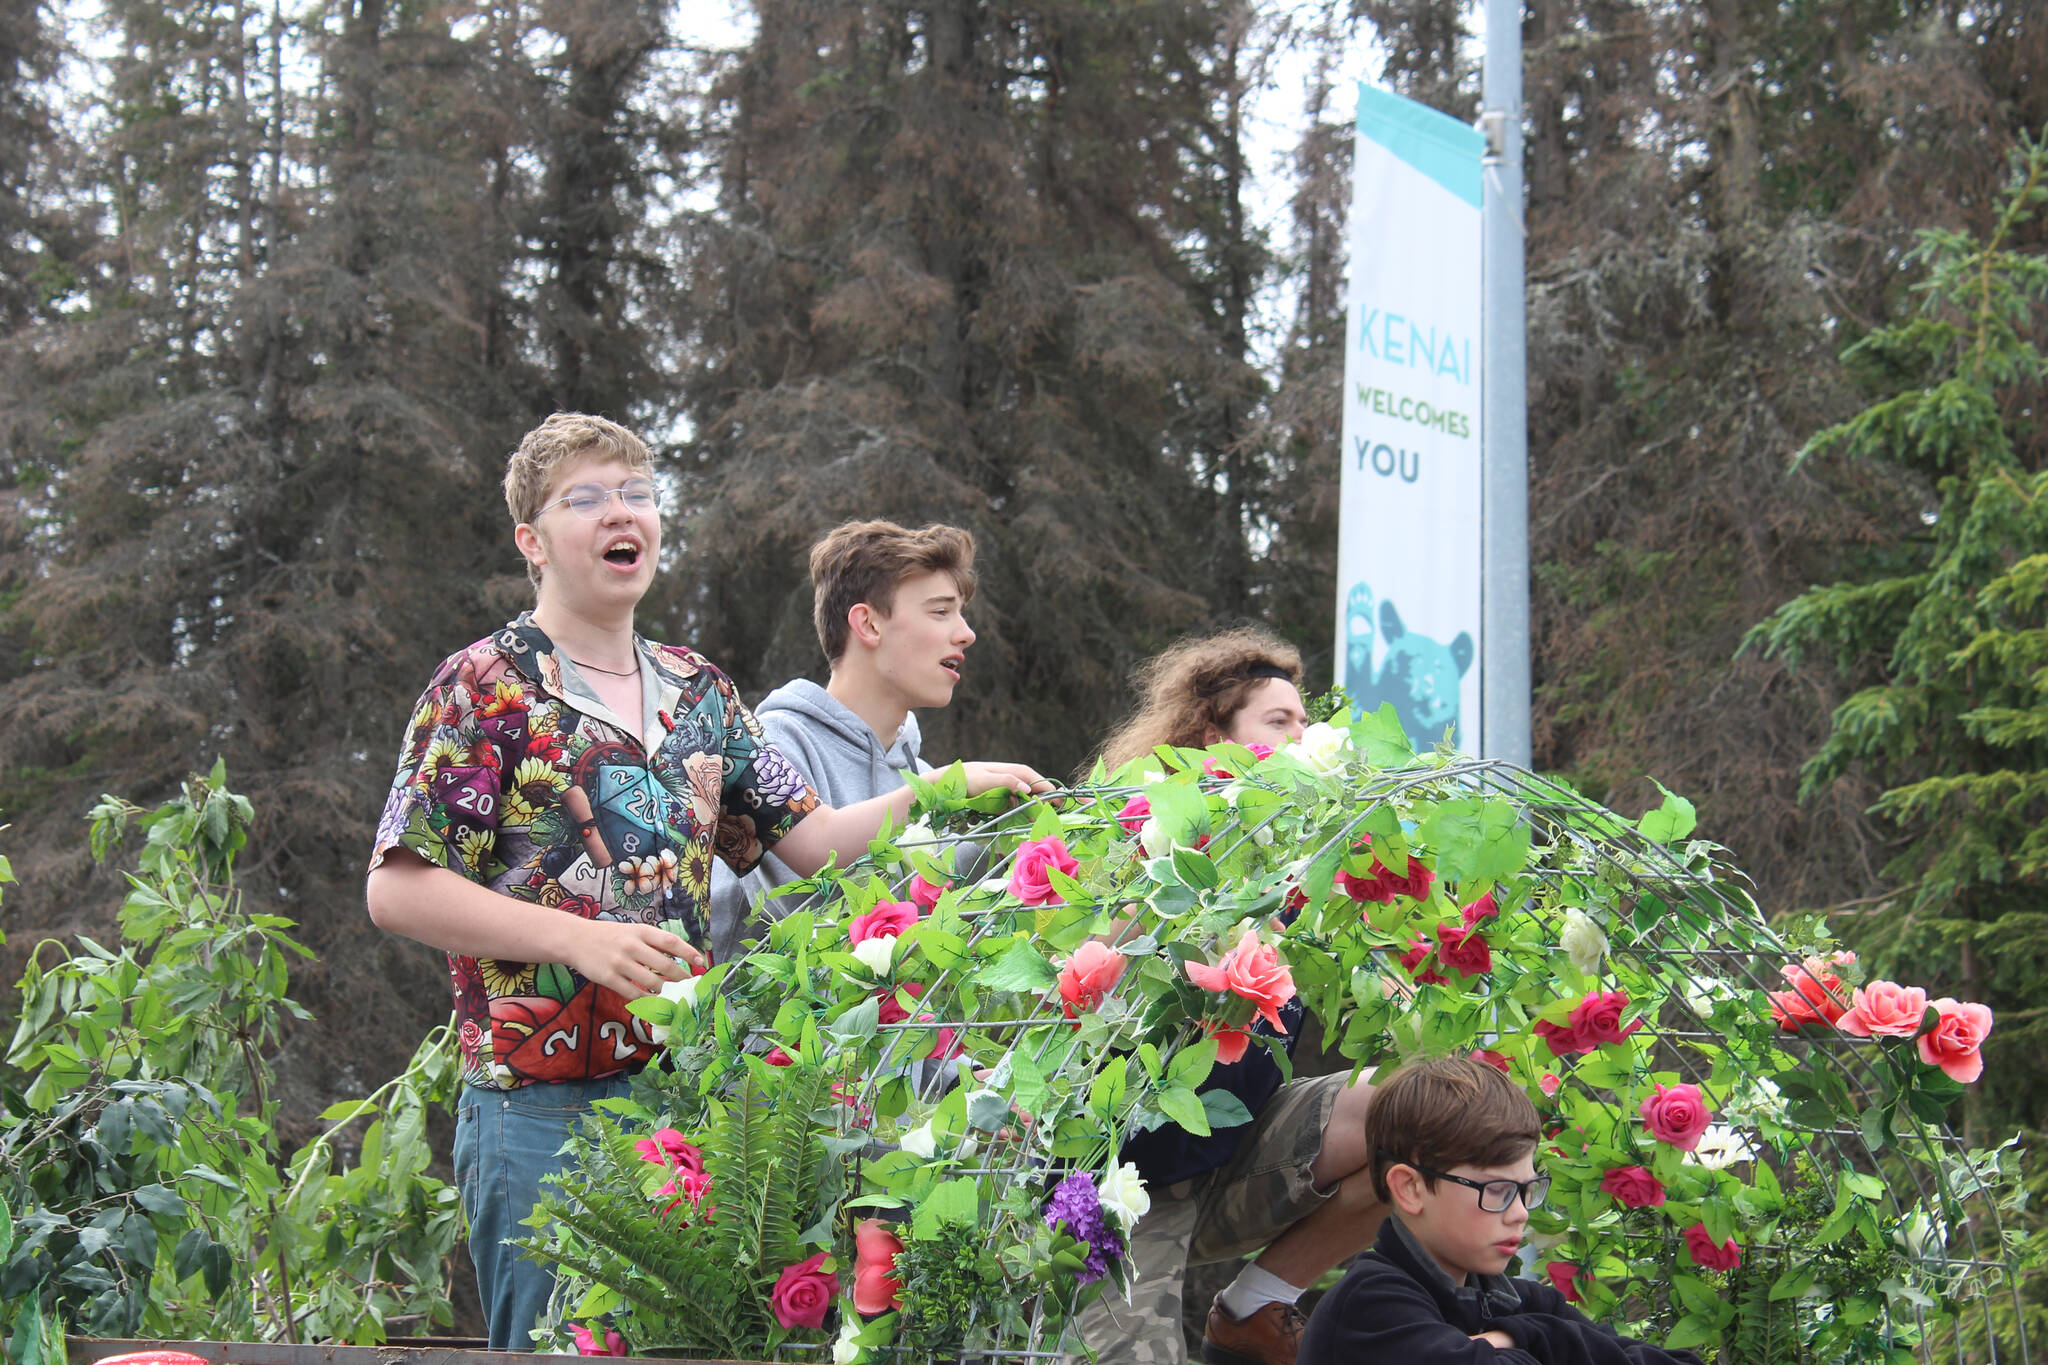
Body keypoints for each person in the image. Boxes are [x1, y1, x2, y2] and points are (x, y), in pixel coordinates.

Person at [364, 416, 1047, 1351]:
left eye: (638, 493)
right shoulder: (483, 685)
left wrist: (946, 786)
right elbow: (397, 888)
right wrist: (576, 937)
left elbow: (814, 844)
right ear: (533, 542)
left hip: (686, 1105)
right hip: (533, 1108)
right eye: (588, 498)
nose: (623, 513)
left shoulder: (701, 693)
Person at [1078, 628, 1386, 1365]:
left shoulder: (1310, 867)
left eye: (1305, 726)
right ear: (1213, 737)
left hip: (1241, 1148)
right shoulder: (1150, 843)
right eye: (1278, 723)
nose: (1301, 740)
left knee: (1427, 1110)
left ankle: (1251, 1307)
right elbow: (1100, 973)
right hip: (1129, 1179)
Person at [1298, 1055, 1704, 1365]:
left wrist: (1523, 1335)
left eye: (1528, 1190)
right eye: (1497, 1190)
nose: (1521, 1213)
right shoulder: (1371, 1306)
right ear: (1410, 1188)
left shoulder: (1518, 1304)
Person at [709, 519, 981, 964]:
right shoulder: (775, 744)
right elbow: (813, 924)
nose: (965, 633)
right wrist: (955, 787)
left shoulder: (922, 774)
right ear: (868, 624)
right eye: (940, 611)